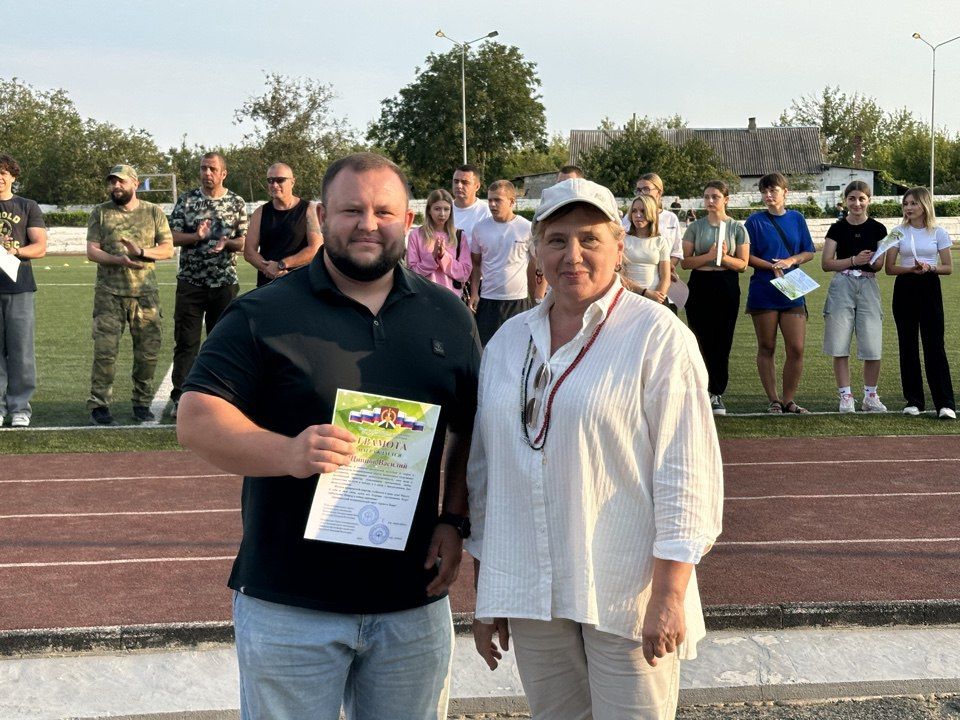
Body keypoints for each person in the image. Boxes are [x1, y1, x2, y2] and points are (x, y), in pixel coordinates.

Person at [176, 152, 481, 720]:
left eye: (384, 210)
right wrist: (289, 452)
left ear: (409, 220)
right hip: (291, 600)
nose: (368, 223)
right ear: (321, 215)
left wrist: (453, 518)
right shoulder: (263, 312)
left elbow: (467, 428)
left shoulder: (448, 316)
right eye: (351, 210)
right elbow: (195, 418)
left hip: (410, 602)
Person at [467, 178, 723, 720]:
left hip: (626, 588)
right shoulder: (508, 342)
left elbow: (687, 473)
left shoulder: (657, 335)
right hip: (531, 586)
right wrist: (489, 590)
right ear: (536, 249)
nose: (572, 255)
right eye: (557, 240)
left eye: (589, 239)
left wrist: (670, 595)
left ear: (618, 245)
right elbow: (485, 474)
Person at [85, 164, 174, 425]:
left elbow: (167, 249)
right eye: (112, 182)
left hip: (145, 295)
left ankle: (142, 403)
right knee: (105, 353)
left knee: (147, 354)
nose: (116, 186)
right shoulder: (100, 213)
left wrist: (141, 252)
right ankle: (99, 405)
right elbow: (92, 251)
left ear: (134, 183)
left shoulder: (153, 212)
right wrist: (117, 259)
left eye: (121, 182)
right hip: (109, 294)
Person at [168, 152, 248, 417]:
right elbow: (172, 237)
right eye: (203, 168)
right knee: (186, 342)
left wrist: (228, 243)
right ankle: (181, 396)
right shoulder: (187, 200)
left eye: (212, 169)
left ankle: (219, 396)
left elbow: (246, 241)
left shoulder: (236, 202)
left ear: (223, 173)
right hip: (191, 282)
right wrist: (196, 236)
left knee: (221, 342)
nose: (207, 173)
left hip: (224, 283)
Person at [744, 173, 815, 414]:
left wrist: (791, 260)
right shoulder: (754, 222)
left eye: (773, 190)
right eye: (764, 191)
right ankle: (774, 400)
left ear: (786, 192)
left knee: (796, 348)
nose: (768, 195)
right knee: (767, 346)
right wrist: (771, 266)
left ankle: (789, 400)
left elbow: (809, 251)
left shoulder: (797, 218)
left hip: (793, 286)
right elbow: (747, 257)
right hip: (764, 288)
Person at [884, 187, 955, 419]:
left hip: (929, 286)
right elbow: (889, 268)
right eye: (906, 204)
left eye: (913, 203)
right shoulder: (896, 232)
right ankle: (914, 400)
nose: (908, 207)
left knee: (934, 344)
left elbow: (948, 267)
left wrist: (929, 267)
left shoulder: (939, 232)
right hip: (905, 287)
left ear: (924, 205)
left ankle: (945, 403)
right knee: (908, 345)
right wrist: (911, 269)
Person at [681, 180, 750, 416]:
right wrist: (709, 256)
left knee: (722, 339)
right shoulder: (695, 227)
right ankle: (699, 390)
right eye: (707, 196)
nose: (710, 201)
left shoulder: (736, 228)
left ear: (726, 199)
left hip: (726, 284)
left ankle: (716, 392)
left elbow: (742, 264)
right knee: (699, 339)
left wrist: (724, 258)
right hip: (700, 284)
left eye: (716, 197)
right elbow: (686, 262)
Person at [821, 181, 888, 414]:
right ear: (845, 200)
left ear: (868, 200)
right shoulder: (837, 228)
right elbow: (827, 263)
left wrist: (869, 262)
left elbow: (880, 263)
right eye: (852, 198)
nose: (857, 203)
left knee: (872, 344)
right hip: (842, 285)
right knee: (839, 343)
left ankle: (870, 396)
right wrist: (853, 260)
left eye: (861, 198)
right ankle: (846, 396)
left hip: (869, 285)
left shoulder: (878, 228)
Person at [0, 154, 47, 428]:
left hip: (19, 288)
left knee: (21, 351)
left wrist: (14, 250)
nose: (0, 177)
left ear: (13, 176)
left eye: (4, 172)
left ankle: (20, 408)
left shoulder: (27, 205)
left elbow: (39, 246)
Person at [468, 180, 544, 345]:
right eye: (489, 200)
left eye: (498, 200)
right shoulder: (480, 228)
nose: (492, 204)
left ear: (511, 201)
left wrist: (538, 296)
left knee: (517, 348)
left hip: (518, 300)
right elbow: (475, 264)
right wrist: (474, 293)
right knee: (486, 348)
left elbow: (539, 264)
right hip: (488, 300)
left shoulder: (526, 228)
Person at [243, 162, 322, 287]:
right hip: (268, 286)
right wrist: (270, 269)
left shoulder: (309, 210)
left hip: (302, 285)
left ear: (292, 181)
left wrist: (282, 264)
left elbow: (315, 249)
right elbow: (249, 252)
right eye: (270, 180)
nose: (274, 185)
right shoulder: (260, 212)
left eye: (280, 180)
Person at [406, 188, 472, 294]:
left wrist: (443, 256)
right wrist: (432, 257)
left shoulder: (459, 236)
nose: (442, 214)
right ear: (429, 210)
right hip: (424, 296)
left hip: (452, 298)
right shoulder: (416, 235)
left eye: (446, 209)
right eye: (437, 209)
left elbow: (464, 273)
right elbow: (411, 273)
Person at [623, 173, 683, 278]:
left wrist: (666, 269)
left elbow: (676, 252)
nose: (641, 193)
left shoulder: (671, 218)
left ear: (659, 192)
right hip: (635, 278)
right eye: (638, 190)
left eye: (646, 189)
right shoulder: (628, 219)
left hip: (663, 278)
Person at [622, 194, 671, 306]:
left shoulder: (661, 241)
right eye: (634, 211)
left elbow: (665, 278)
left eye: (643, 211)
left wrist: (658, 298)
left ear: (651, 213)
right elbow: (620, 276)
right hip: (629, 299)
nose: (638, 215)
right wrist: (645, 293)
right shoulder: (623, 240)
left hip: (656, 301)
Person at [451, 164, 491, 242]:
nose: (459, 186)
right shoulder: (445, 210)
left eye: (465, 182)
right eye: (456, 181)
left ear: (477, 186)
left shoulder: (486, 211)